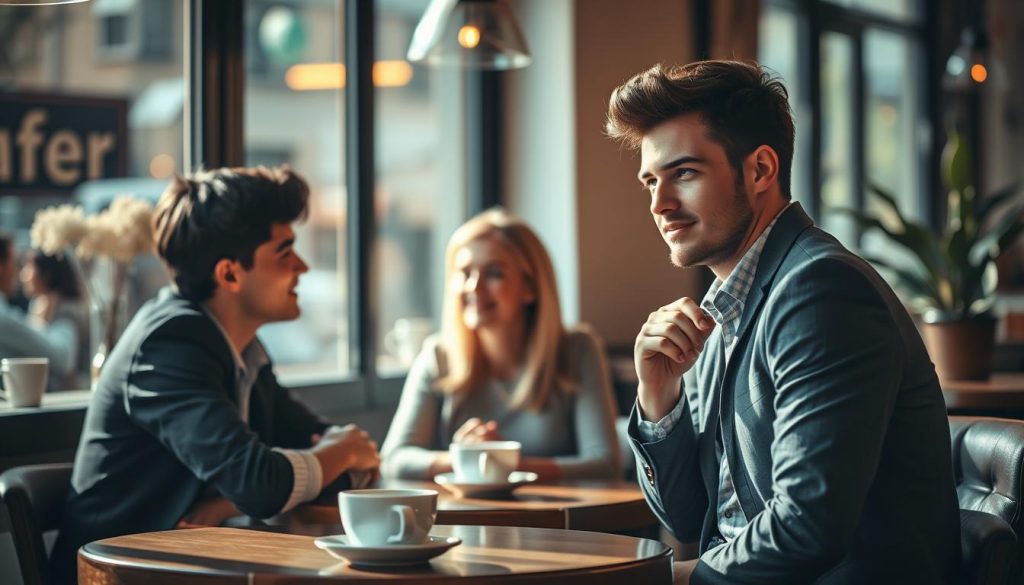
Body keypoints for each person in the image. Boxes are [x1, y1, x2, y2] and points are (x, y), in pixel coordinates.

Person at [605, 61, 960, 584]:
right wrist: (659, 395)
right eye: (650, 181)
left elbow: (807, 528)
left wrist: (667, 580)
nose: (660, 205)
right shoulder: (729, 305)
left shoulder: (819, 291)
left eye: (684, 173)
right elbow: (687, 519)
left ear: (760, 169)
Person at [51, 166, 380, 583]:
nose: (303, 267)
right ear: (229, 274)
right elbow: (265, 482)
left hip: (190, 569)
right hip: (120, 577)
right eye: (284, 252)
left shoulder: (241, 347)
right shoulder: (169, 344)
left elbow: (315, 462)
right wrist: (340, 452)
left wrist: (231, 502)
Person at [381, 209, 621, 481]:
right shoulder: (438, 356)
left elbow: (605, 463)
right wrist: (465, 458)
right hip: (468, 519)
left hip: (557, 518)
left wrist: (505, 462)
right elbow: (393, 459)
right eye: (465, 272)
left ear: (530, 287)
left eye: (494, 273)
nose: (474, 286)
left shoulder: (578, 349)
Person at [0, 233, 73, 378]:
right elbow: (60, 357)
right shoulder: (4, 319)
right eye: (15, 264)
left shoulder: (67, 313)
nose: (19, 274)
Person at [20, 249, 90, 389]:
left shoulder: (68, 311)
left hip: (67, 397)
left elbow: (64, 360)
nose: (23, 275)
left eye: (30, 267)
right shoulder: (38, 306)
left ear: (46, 273)